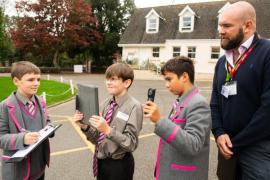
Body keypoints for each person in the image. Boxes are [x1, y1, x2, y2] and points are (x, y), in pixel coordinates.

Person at [210, 1, 270, 179]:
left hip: (258, 151)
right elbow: (214, 103)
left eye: (227, 26)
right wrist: (219, 133)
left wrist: (236, 143)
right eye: (220, 25)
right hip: (227, 148)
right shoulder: (222, 62)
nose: (221, 31)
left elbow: (268, 111)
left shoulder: (266, 53)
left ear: (248, 26)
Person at [143, 56, 211, 180]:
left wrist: (160, 120)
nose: (166, 85)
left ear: (184, 77)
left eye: (169, 79)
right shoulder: (182, 100)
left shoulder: (198, 104)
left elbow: (193, 144)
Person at [73, 63, 143, 180]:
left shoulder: (134, 106)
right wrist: (85, 127)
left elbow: (131, 144)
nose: (108, 82)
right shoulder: (106, 104)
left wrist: (107, 130)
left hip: (119, 166)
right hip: (101, 162)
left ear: (127, 83)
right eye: (107, 79)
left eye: (113, 79)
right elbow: (97, 138)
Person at [0, 61, 52, 180]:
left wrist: (50, 128)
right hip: (18, 171)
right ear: (16, 81)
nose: (36, 83)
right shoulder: (4, 106)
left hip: (39, 166)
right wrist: (22, 139)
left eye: (38, 79)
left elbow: (47, 120)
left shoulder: (41, 102)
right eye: (30, 80)